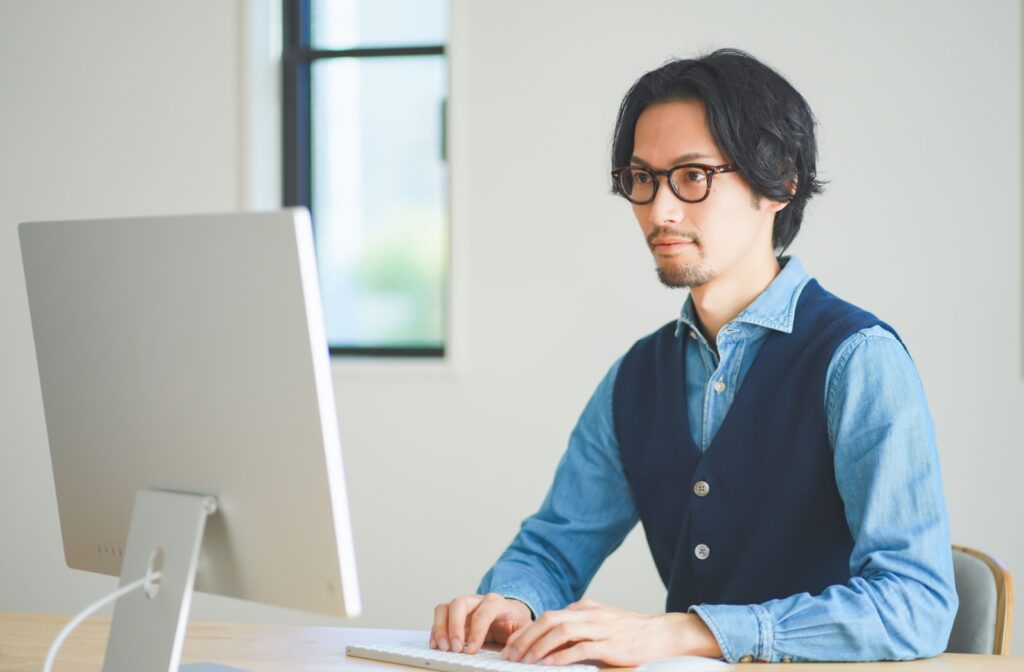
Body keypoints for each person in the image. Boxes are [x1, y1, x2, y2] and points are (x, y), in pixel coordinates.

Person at [429, 48, 958, 665]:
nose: (659, 211)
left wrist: (688, 631)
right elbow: (553, 549)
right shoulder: (637, 376)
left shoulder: (858, 360)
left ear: (781, 181)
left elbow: (916, 605)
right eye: (642, 179)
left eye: (692, 176)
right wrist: (512, 603)